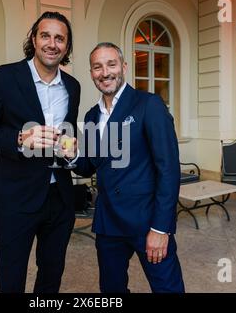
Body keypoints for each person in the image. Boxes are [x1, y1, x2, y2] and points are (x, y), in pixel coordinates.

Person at [0, 11, 80, 293]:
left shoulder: (73, 87)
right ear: (33, 38)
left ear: (66, 46)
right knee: (11, 278)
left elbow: (67, 136)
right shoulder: (2, 78)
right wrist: (20, 139)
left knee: (51, 275)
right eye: (45, 35)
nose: (52, 44)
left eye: (60, 38)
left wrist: (70, 148)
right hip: (15, 199)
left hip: (60, 198)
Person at [72, 42, 184, 293]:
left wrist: (161, 228)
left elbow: (168, 169)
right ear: (91, 73)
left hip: (147, 222)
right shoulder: (92, 115)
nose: (105, 72)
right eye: (97, 67)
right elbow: (89, 165)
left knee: (168, 289)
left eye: (111, 64)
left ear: (123, 67)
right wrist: (71, 156)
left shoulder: (149, 104)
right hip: (108, 223)